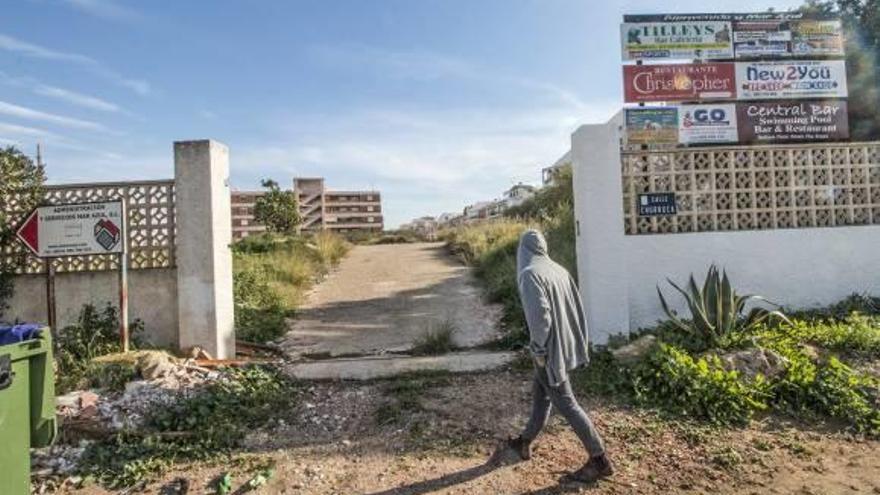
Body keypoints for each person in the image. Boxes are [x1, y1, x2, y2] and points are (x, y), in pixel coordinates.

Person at [502, 229, 612, 483]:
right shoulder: (558, 270)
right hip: (564, 346)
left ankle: (600, 459)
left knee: (567, 403)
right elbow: (576, 305)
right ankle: (524, 442)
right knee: (541, 395)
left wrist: (539, 350)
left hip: (549, 352)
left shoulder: (530, 275)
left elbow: (541, 319)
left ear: (523, 249)